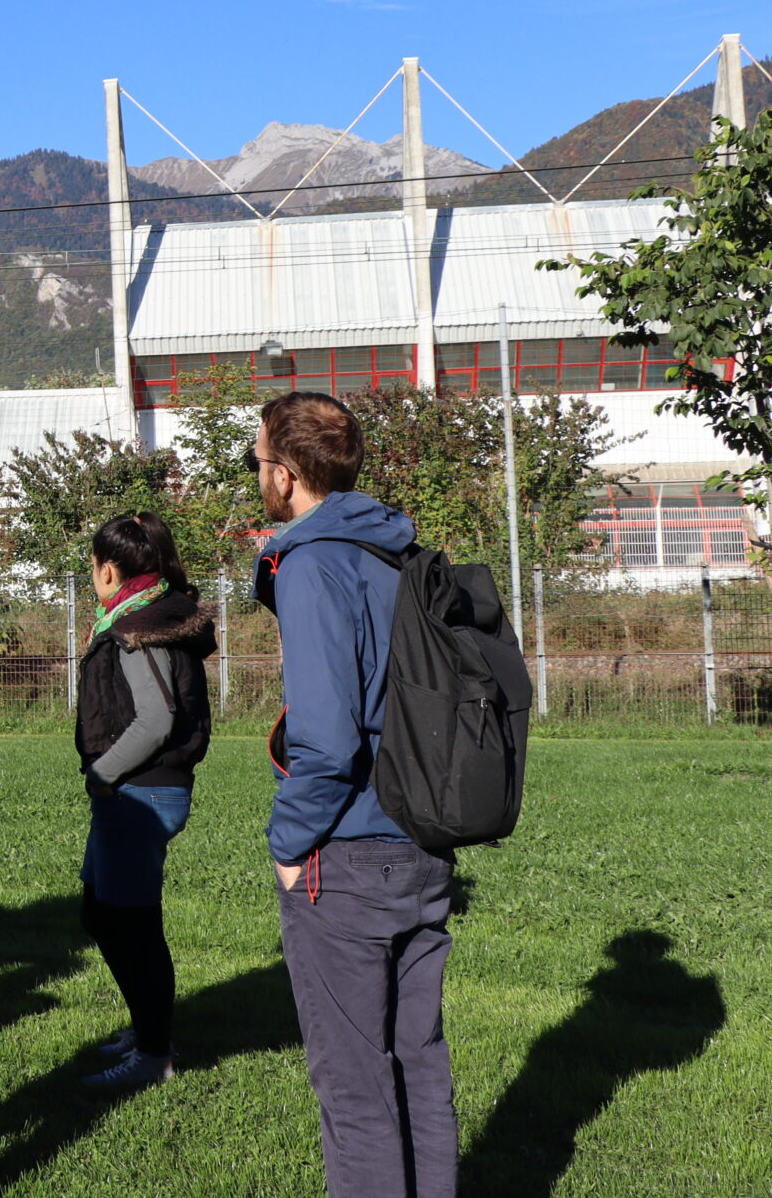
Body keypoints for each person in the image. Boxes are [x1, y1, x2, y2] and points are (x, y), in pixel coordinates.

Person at [255, 391, 458, 1198]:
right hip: (423, 838)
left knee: (355, 1089)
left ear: (290, 473)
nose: (257, 474)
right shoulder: (399, 550)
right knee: (419, 1068)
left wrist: (284, 841)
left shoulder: (311, 561)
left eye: (258, 460)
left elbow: (329, 739)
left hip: (346, 854)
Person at [72, 510, 214, 1092]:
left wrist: (101, 774)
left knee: (133, 928)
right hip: (136, 789)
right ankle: (146, 1027)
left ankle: (154, 1055)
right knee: (102, 913)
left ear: (108, 569)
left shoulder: (140, 626)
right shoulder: (150, 612)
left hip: (141, 789)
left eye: (92, 566)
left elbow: (156, 721)